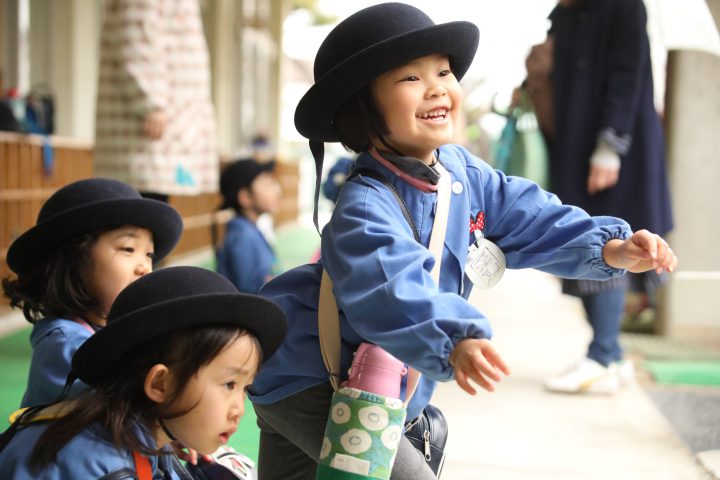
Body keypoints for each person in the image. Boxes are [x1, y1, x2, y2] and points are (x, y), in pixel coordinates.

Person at [247, 4, 678, 479]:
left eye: (443, 71)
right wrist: (455, 337)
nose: (437, 87)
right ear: (360, 110)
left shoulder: (460, 171)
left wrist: (607, 247)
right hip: (308, 381)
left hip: (366, 379)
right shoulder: (366, 206)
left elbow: (529, 214)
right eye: (410, 78)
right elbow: (392, 287)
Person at [0, 266, 287, 479]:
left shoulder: (148, 437)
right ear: (160, 384)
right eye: (228, 384)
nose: (239, 409)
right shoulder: (97, 463)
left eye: (244, 388)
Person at [533, 0, 674, 394]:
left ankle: (604, 354)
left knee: (611, 239)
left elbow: (627, 74)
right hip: (574, 144)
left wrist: (609, 146)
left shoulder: (624, 6)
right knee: (584, 242)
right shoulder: (564, 14)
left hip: (613, 153)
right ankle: (609, 356)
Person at [1, 178, 183, 407]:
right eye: (128, 249)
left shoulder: (108, 331)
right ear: (74, 261)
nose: (145, 267)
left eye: (149, 255)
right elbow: (127, 406)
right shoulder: (66, 344)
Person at [94, 0, 218, 202]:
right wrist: (152, 102)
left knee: (150, 210)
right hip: (149, 135)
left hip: (170, 129)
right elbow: (136, 38)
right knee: (138, 211)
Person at [216, 158, 281, 294]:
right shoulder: (242, 237)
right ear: (245, 197)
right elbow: (252, 292)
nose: (277, 190)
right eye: (267, 185)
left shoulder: (250, 230)